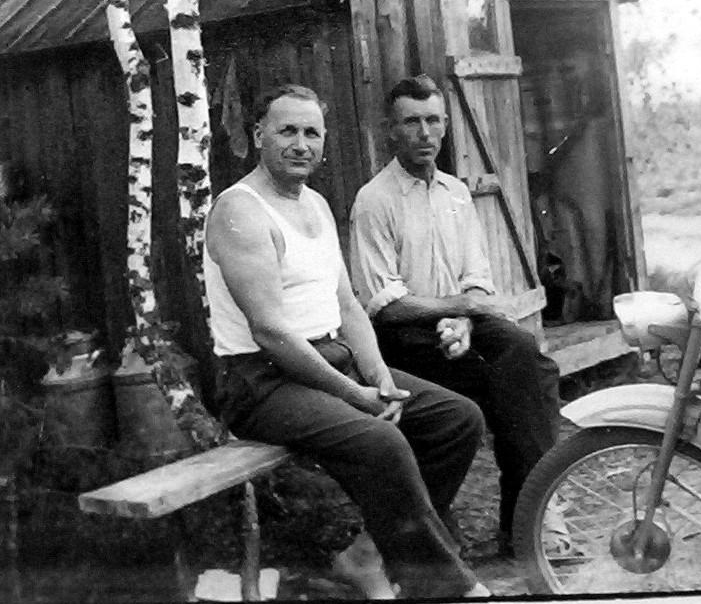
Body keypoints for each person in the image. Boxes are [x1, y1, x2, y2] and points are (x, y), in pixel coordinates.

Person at [204, 84, 490, 599]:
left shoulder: (313, 204)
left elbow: (350, 306)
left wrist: (378, 374)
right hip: (261, 382)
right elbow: (269, 332)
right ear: (258, 135)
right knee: (382, 440)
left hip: (329, 362)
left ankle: (367, 554)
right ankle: (446, 588)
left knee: (455, 419)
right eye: (286, 130)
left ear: (324, 142)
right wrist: (353, 394)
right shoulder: (240, 211)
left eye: (311, 132)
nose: (300, 143)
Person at [349, 74, 562, 551]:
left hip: (460, 323)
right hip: (403, 336)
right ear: (392, 131)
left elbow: (477, 278)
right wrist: (458, 309)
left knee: (526, 359)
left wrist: (464, 319)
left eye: (433, 121)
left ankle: (526, 519)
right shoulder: (375, 200)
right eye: (411, 122)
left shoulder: (456, 193)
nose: (424, 134)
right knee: (501, 385)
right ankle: (452, 527)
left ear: (445, 126)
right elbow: (384, 304)